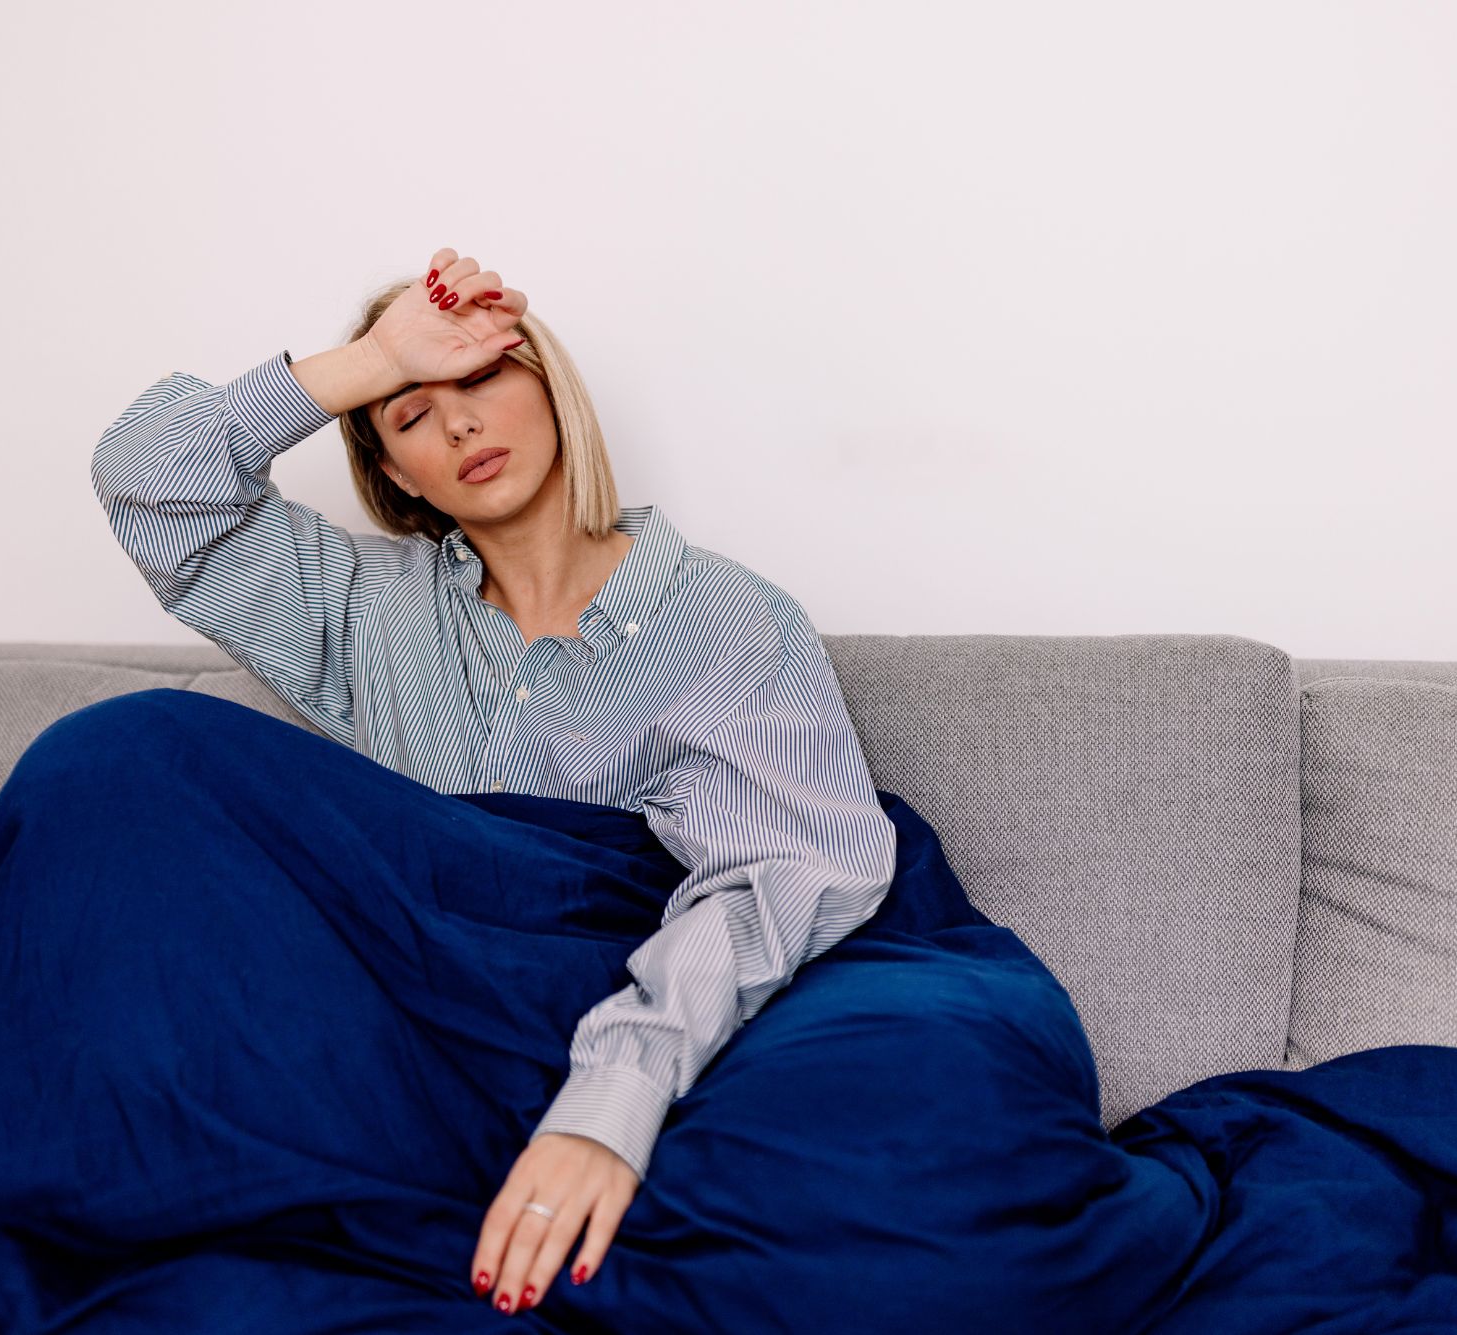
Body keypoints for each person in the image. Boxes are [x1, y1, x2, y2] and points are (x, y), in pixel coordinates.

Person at [87, 247, 898, 1317]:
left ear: (549, 386)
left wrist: (612, 1098)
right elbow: (147, 478)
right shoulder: (356, 612)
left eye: (480, 378)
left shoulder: (723, 617)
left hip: (623, 1012)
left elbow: (770, 879)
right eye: (410, 414)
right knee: (114, 759)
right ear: (394, 477)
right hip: (424, 1021)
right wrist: (369, 358)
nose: (460, 425)